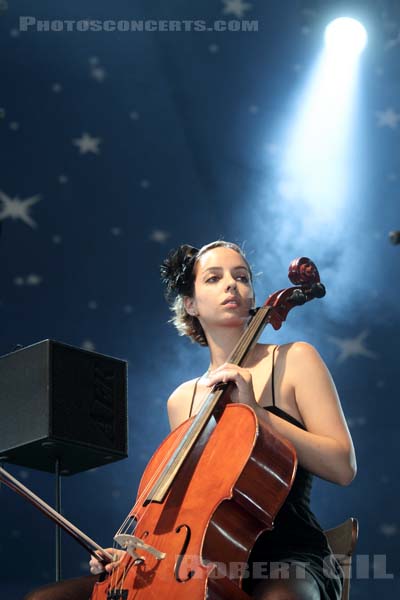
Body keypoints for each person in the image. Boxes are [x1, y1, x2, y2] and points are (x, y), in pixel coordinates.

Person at [25, 240, 357, 600]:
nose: (232, 285)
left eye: (242, 277)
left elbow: (343, 466)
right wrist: (135, 555)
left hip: (289, 558)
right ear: (190, 304)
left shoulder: (294, 360)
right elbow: (188, 511)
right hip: (205, 562)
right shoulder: (182, 400)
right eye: (214, 278)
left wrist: (259, 415)